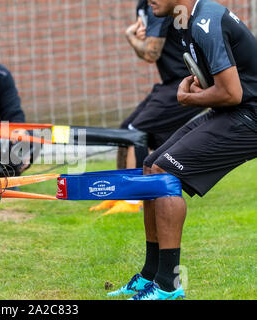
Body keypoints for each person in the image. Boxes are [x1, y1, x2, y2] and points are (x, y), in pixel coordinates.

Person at [108, 0, 257, 300]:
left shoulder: (206, 22)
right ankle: (150, 275)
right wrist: (200, 93)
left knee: (164, 171)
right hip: (233, 110)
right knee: (151, 165)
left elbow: (232, 92)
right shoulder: (188, 22)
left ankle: (168, 285)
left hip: (249, 116)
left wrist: (189, 100)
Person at [90, 0, 204, 215]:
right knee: (127, 130)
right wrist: (138, 40)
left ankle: (133, 200)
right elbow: (147, 53)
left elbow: (151, 53)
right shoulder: (144, 5)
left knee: (136, 131)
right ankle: (120, 195)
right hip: (170, 82)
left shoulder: (159, 4)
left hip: (188, 81)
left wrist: (130, 37)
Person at [0, 41, 32, 178]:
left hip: (0, 133)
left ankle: (6, 179)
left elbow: (14, 111)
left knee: (33, 137)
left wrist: (19, 133)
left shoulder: (2, 76)